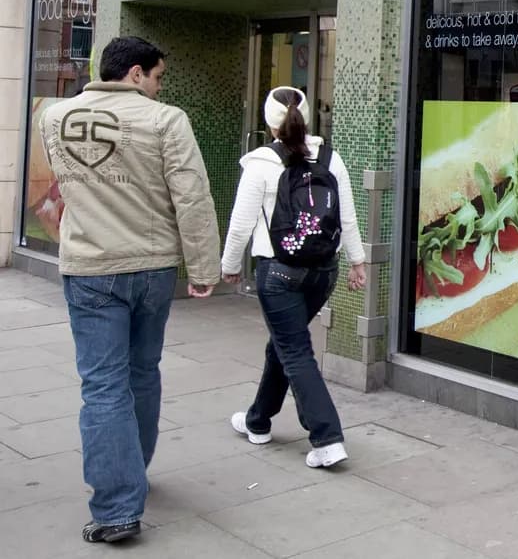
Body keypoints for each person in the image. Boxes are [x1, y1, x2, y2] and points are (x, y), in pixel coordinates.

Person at [39, 36, 221, 544]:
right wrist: (203, 268)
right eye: (158, 77)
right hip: (152, 268)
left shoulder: (54, 117)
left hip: (91, 267)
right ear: (136, 73)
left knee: (103, 385)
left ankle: (117, 506)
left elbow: (67, 181)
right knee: (141, 371)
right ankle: (132, 471)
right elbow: (192, 197)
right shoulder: (166, 121)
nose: (160, 87)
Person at [220, 86, 366, 468]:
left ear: (268, 122)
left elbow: (240, 225)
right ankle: (258, 420)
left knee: (294, 349)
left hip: (279, 273)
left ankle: (327, 438)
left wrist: (229, 266)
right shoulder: (331, 159)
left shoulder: (262, 162)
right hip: (323, 272)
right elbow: (347, 217)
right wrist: (358, 261)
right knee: (284, 344)